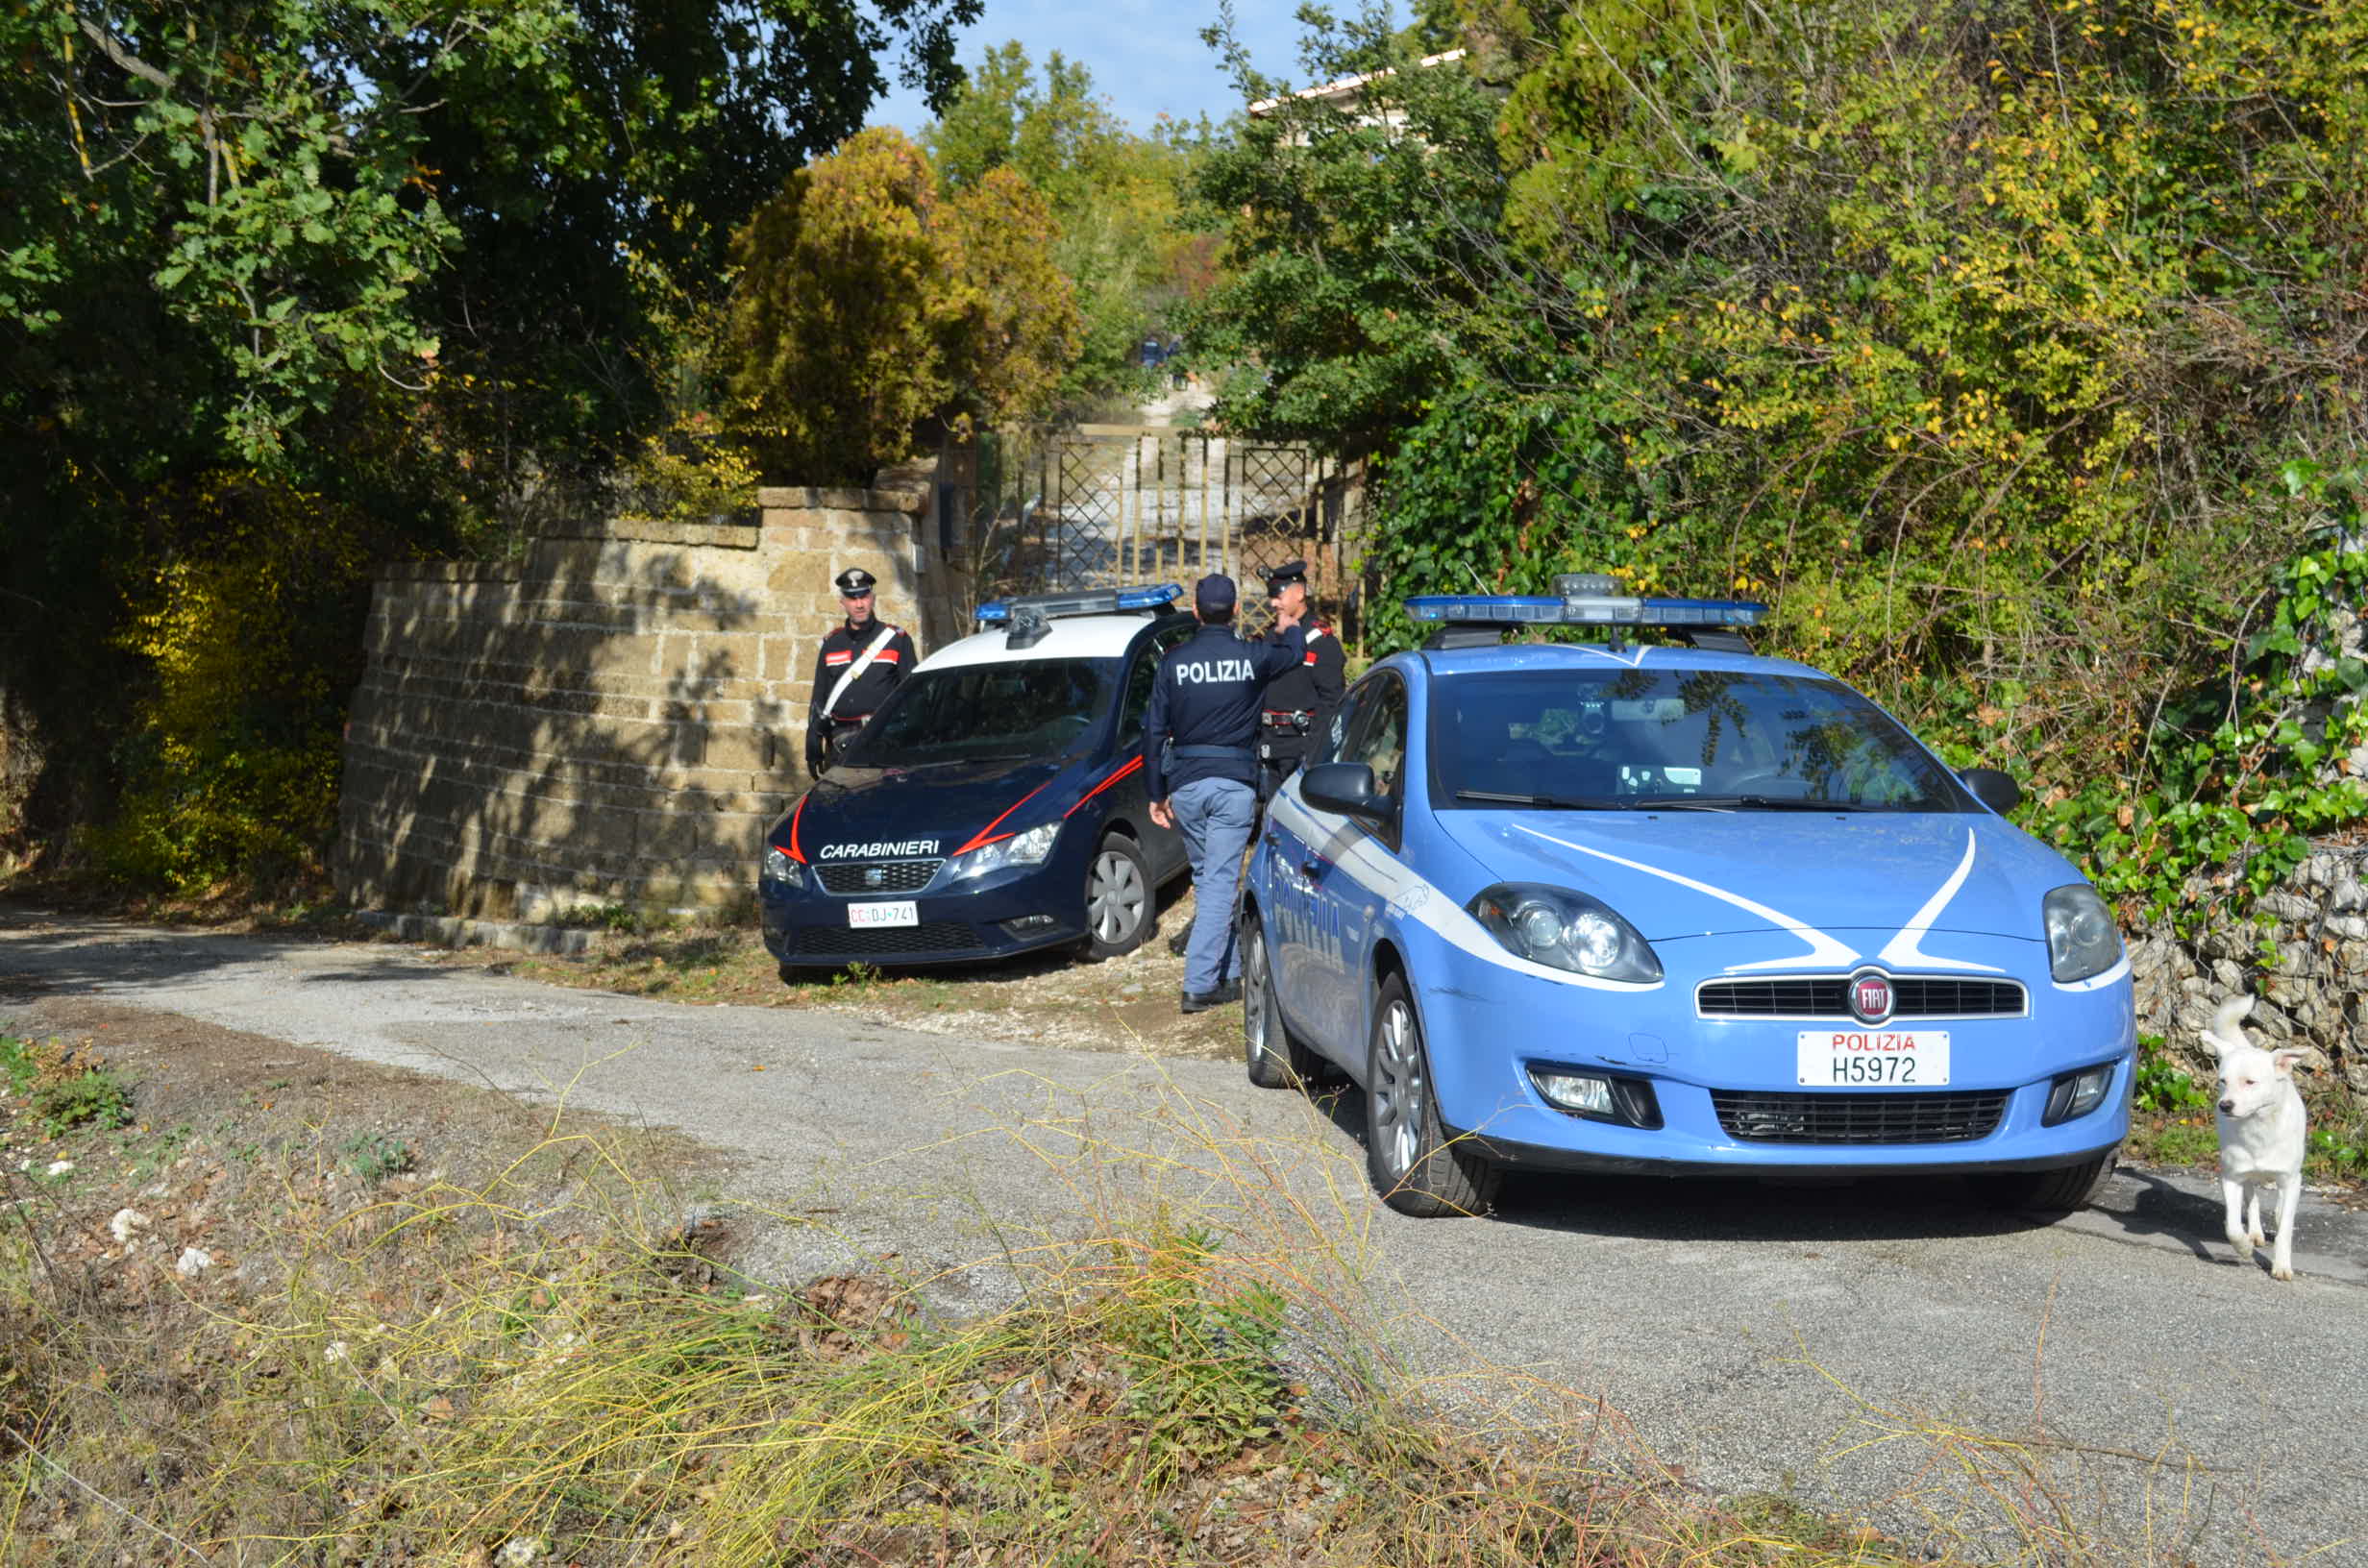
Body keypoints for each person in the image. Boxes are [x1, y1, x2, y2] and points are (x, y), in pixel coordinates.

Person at [1146, 574, 1306, 1013]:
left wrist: (1156, 793)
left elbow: (1154, 730)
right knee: (1218, 883)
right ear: (1235, 610)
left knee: (1209, 879)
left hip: (1187, 787)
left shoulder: (1173, 663)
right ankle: (1199, 985)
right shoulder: (1251, 656)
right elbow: (1293, 654)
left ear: (1196, 612)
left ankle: (1231, 973)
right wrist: (1289, 621)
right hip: (1233, 784)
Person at [805, 567, 916, 774]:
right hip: (841, 744)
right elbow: (819, 696)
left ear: (873, 598)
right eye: (852, 598)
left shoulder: (895, 640)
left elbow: (911, 697)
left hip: (884, 741)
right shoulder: (832, 644)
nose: (859, 604)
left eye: (864, 596)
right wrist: (812, 740)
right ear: (843, 603)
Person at [1253, 558, 1347, 801]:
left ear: (1300, 593)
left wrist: (1313, 752)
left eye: (1279, 594)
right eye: (1271, 595)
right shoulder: (1270, 636)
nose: (1273, 602)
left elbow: (1331, 701)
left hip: (1300, 748)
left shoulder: (1320, 640)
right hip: (1270, 747)